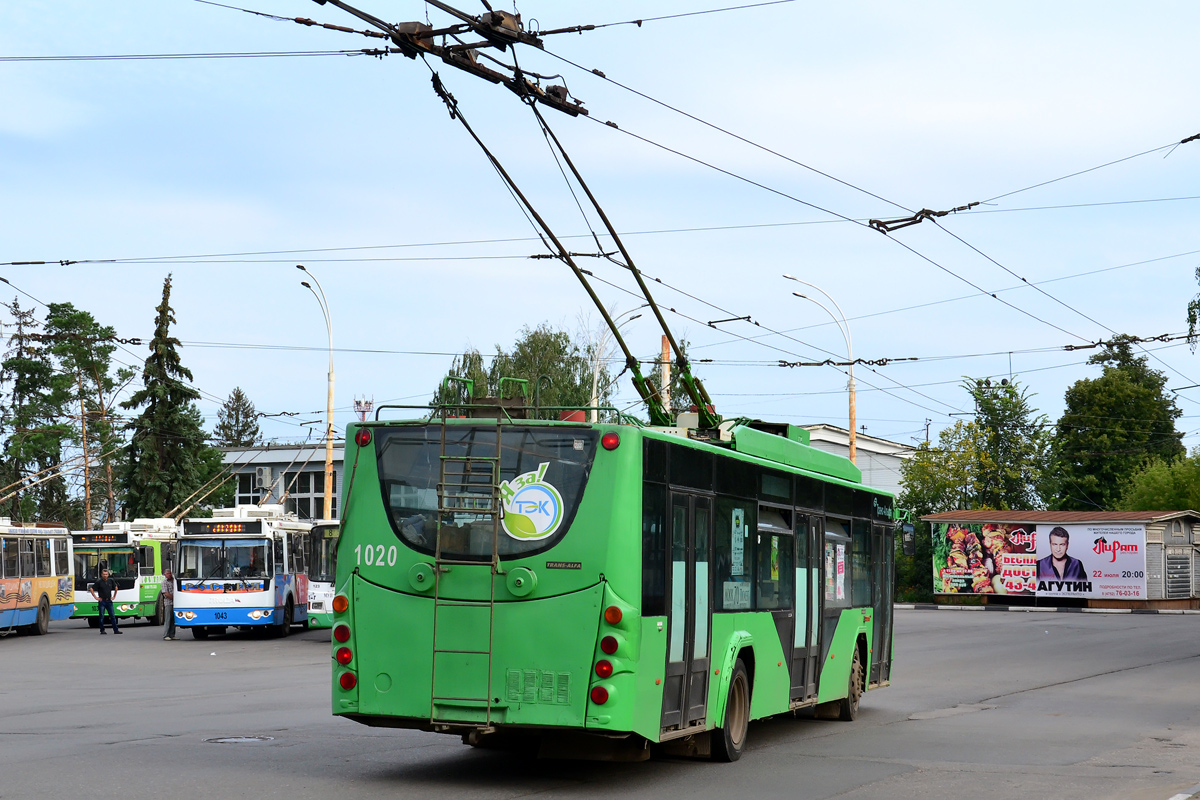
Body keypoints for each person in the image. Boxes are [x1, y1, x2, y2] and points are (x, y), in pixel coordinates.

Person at [90, 568, 121, 634]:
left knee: (112, 616)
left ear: (108, 575)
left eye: (106, 574)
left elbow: (116, 587)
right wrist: (96, 597)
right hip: (102, 601)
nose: (105, 575)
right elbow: (91, 588)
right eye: (104, 574)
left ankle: (116, 630)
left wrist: (114, 596)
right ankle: (102, 630)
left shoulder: (111, 581)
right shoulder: (99, 582)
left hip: (109, 601)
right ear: (101, 575)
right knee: (102, 616)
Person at [161, 568, 176, 640]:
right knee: (168, 619)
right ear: (165, 575)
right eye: (168, 573)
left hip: (175, 604)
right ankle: (166, 635)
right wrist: (174, 598)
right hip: (168, 603)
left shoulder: (174, 581)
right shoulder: (164, 583)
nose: (169, 575)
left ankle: (172, 634)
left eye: (170, 573)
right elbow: (166, 594)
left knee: (173, 619)